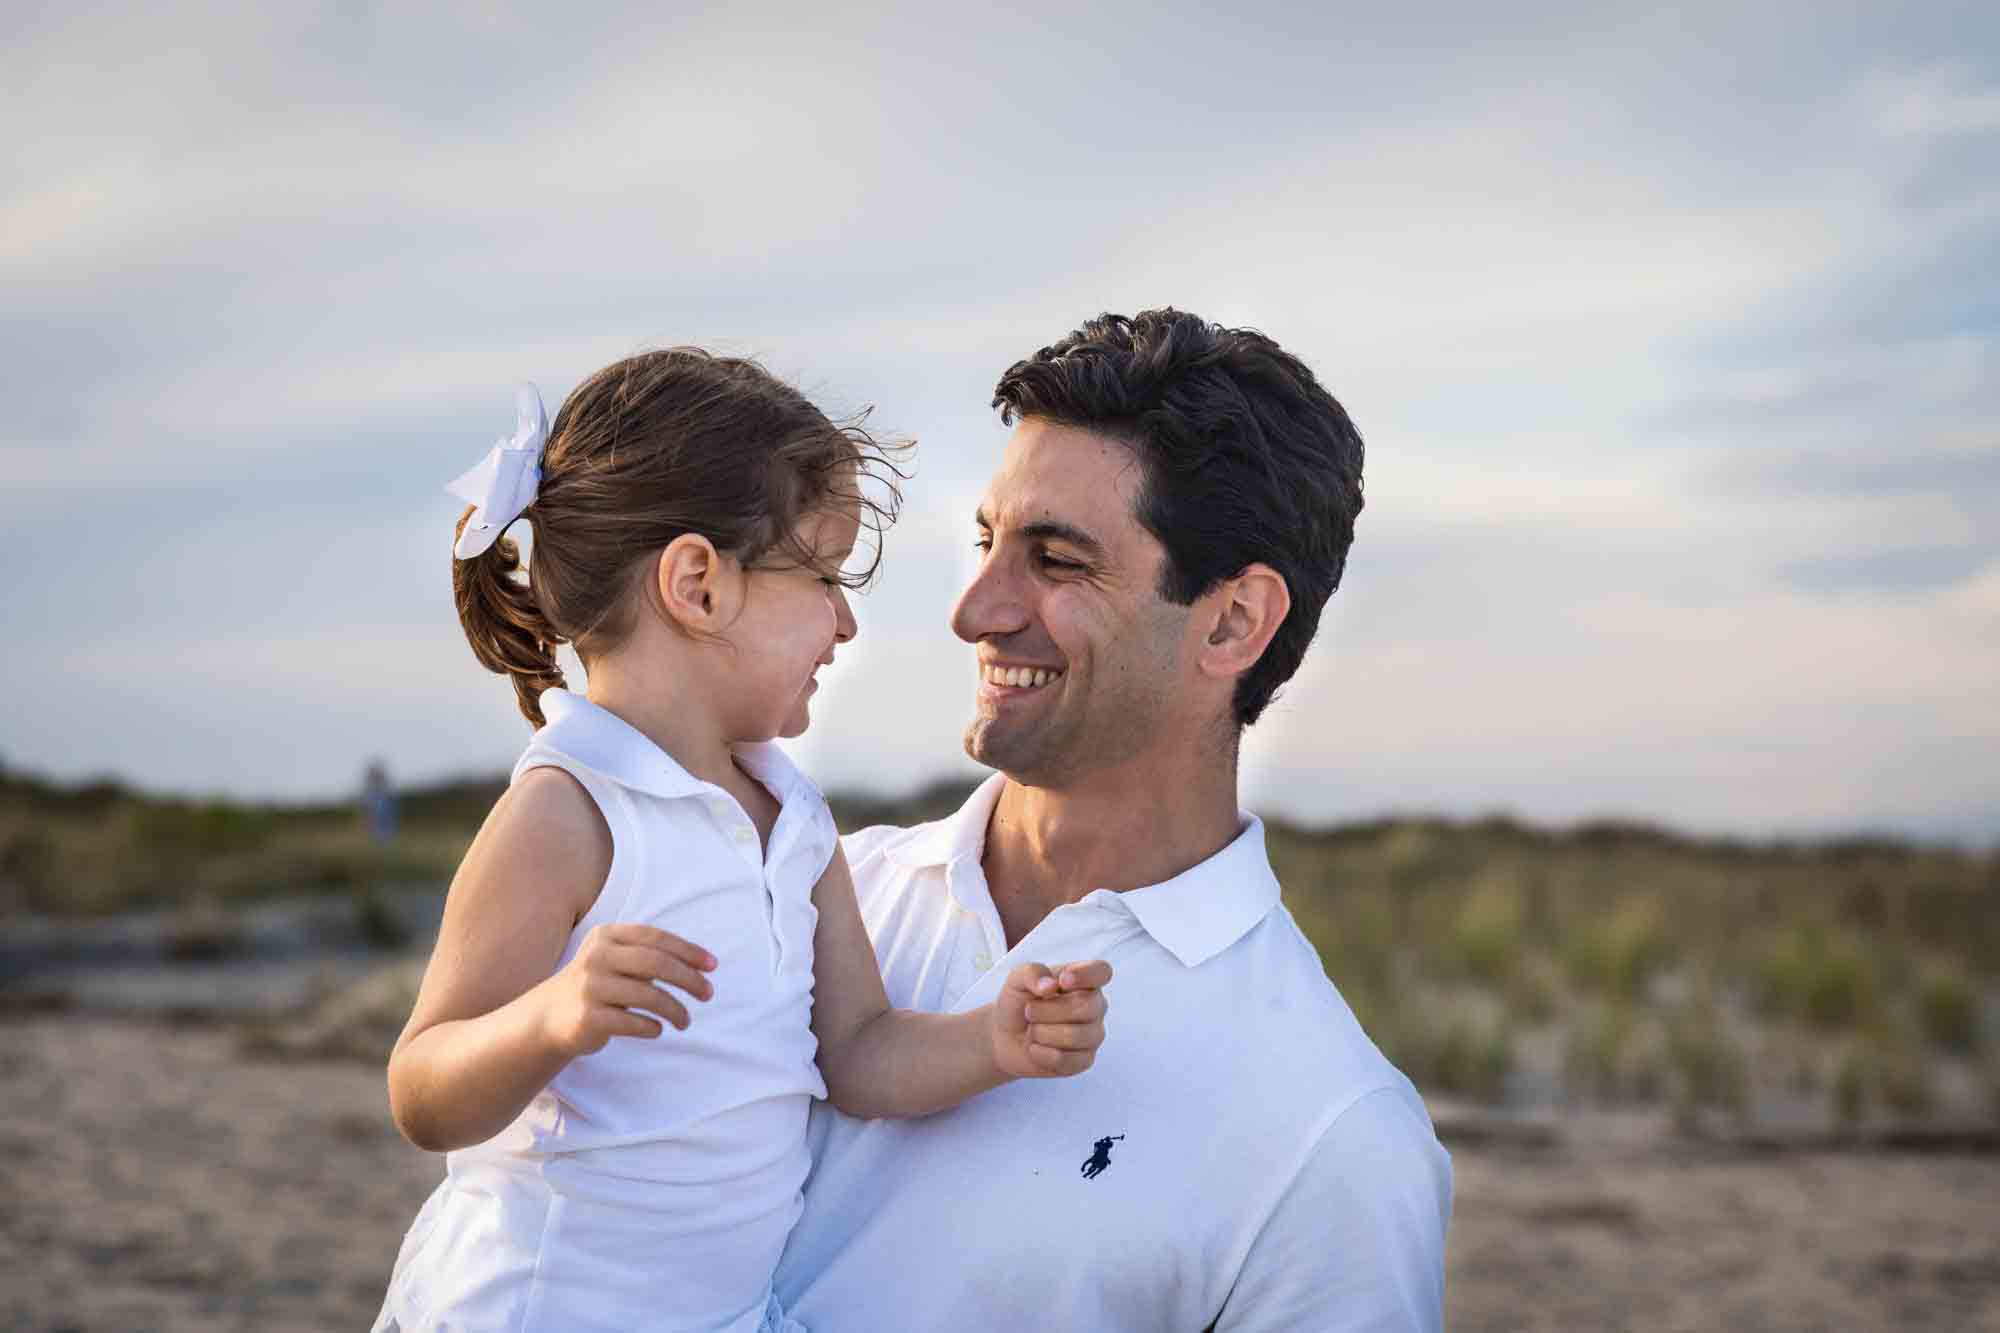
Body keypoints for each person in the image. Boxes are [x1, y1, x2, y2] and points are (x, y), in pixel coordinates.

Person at [373, 350, 1112, 1333]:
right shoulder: (571, 812)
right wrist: (551, 1018)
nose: (844, 623)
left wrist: (991, 1041)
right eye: (822, 576)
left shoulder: (794, 819)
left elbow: (856, 1052)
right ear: (697, 584)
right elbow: (423, 1090)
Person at [774, 310, 1453, 1330]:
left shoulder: (1330, 1135)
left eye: (1053, 560)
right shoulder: (792, 893)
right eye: (987, 541)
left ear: (1231, 620)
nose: (975, 609)